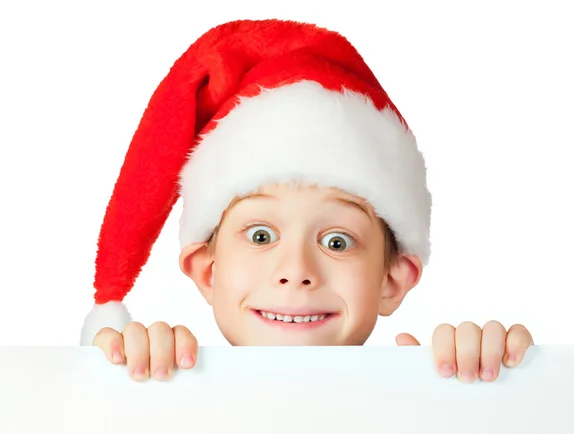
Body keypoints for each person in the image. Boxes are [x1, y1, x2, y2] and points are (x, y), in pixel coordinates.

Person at [81, 19, 534, 383]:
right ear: (208, 270)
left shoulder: (437, 396)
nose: (296, 272)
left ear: (392, 279)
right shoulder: (156, 386)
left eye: (337, 242)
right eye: (260, 235)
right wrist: (113, 380)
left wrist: (501, 390)